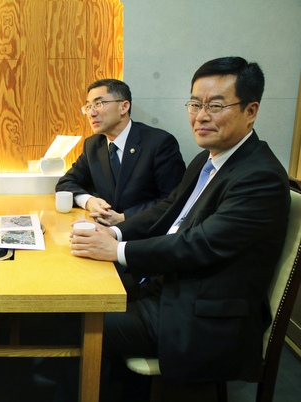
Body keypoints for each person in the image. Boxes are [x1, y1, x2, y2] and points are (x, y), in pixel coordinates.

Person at [69, 57, 290, 399]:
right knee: (79, 294)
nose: (201, 116)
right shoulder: (209, 157)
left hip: (201, 313)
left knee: (82, 324)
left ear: (251, 111)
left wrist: (118, 251)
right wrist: (115, 232)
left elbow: (200, 244)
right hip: (169, 284)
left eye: (216, 105)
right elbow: (168, 207)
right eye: (195, 104)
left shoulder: (259, 176)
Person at [56, 78, 186, 226]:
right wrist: (89, 201)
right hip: (103, 231)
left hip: (145, 236)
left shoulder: (159, 143)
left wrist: (123, 218)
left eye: (99, 104)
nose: (91, 113)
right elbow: (66, 183)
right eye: (88, 106)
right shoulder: (93, 145)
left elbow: (173, 200)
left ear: (124, 107)